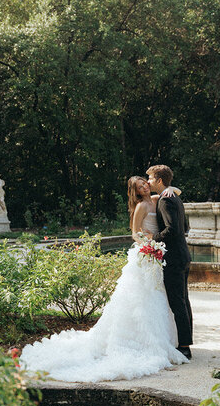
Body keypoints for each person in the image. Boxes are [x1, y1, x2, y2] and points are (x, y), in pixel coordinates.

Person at [19, 176, 188, 382]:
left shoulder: (156, 199)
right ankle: (140, 341)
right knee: (141, 297)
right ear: (135, 191)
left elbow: (176, 192)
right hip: (147, 253)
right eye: (140, 186)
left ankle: (165, 339)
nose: (145, 186)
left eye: (145, 182)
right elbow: (135, 234)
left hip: (157, 255)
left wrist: (170, 188)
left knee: (159, 296)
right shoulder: (141, 206)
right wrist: (148, 246)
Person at [146, 164, 193, 360]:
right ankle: (186, 342)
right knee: (183, 300)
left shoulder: (165, 200)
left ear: (159, 180)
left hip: (173, 258)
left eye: (150, 178)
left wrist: (153, 238)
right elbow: (185, 227)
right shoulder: (174, 197)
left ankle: (184, 347)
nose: (148, 182)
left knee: (177, 302)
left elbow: (172, 230)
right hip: (183, 255)